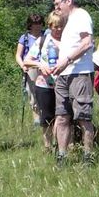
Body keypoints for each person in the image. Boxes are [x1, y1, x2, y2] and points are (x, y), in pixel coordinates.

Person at [50, 0, 96, 166]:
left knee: (83, 116)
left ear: (68, 1)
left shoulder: (81, 16)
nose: (56, 8)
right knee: (62, 116)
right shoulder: (68, 22)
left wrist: (67, 60)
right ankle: (62, 157)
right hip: (63, 74)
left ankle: (88, 157)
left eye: (57, 4)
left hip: (79, 73)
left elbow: (87, 43)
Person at [23, 12, 62, 153]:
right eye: (55, 26)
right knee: (46, 117)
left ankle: (60, 144)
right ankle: (47, 146)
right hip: (43, 84)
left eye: (60, 26)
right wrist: (40, 65)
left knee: (62, 115)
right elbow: (27, 60)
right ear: (50, 26)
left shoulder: (68, 40)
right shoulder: (42, 40)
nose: (58, 29)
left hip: (62, 84)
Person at [15, 14, 46, 127]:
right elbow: (18, 55)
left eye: (39, 24)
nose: (37, 27)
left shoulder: (46, 35)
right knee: (33, 95)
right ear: (30, 25)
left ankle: (47, 118)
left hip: (45, 68)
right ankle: (37, 121)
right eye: (34, 24)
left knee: (46, 94)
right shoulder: (25, 38)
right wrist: (23, 65)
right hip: (31, 68)